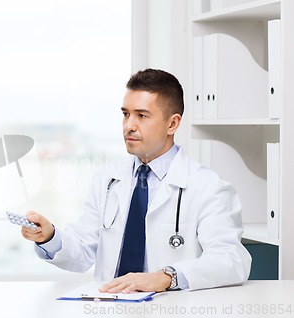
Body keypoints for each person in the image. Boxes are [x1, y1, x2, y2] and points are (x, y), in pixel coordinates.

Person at [21, 68, 251, 293]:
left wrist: (165, 277)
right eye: (125, 114)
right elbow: (82, 253)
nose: (129, 125)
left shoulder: (208, 186)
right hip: (110, 306)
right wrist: (49, 236)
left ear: (172, 124)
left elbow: (231, 259)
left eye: (141, 116)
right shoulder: (107, 181)